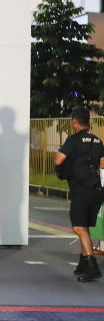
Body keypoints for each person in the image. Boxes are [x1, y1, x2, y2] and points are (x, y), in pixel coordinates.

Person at [55, 106, 104, 282]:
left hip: (80, 189)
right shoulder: (97, 140)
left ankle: (92, 266)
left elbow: (58, 160)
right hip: (97, 190)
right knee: (84, 226)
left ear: (74, 121)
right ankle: (82, 265)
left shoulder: (73, 139)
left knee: (78, 227)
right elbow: (103, 164)